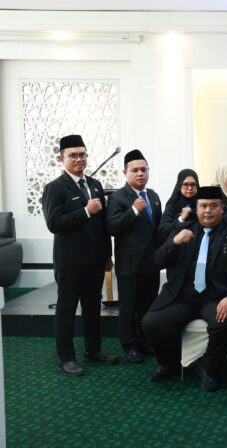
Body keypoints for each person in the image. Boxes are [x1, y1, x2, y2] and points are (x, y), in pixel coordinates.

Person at [141, 186, 227, 391]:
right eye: (203, 206)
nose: (208, 211)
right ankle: (169, 363)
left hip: (217, 297)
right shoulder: (184, 229)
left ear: (222, 208)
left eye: (213, 206)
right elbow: (157, 260)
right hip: (183, 296)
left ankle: (208, 368)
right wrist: (173, 243)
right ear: (196, 208)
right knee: (151, 323)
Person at [42, 134, 118, 376]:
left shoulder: (95, 184)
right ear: (61, 158)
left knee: (92, 308)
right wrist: (85, 211)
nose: (78, 159)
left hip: (95, 260)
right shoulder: (54, 188)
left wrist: (107, 254)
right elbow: (54, 223)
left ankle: (93, 350)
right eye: (73, 155)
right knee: (66, 310)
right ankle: (66, 358)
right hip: (70, 262)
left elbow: (103, 224)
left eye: (82, 155)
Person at [106, 149, 162, 364]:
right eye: (135, 170)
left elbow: (158, 229)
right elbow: (112, 227)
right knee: (129, 307)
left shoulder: (153, 196)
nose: (140, 173)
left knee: (147, 304)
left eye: (143, 169)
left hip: (151, 262)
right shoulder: (118, 197)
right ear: (125, 173)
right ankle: (129, 344)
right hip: (130, 264)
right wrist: (133, 211)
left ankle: (143, 340)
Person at [159, 169, 199, 243]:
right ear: (179, 185)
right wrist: (181, 218)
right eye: (186, 184)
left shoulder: (202, 205)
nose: (190, 188)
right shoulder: (173, 205)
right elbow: (163, 232)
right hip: (177, 246)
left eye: (193, 184)